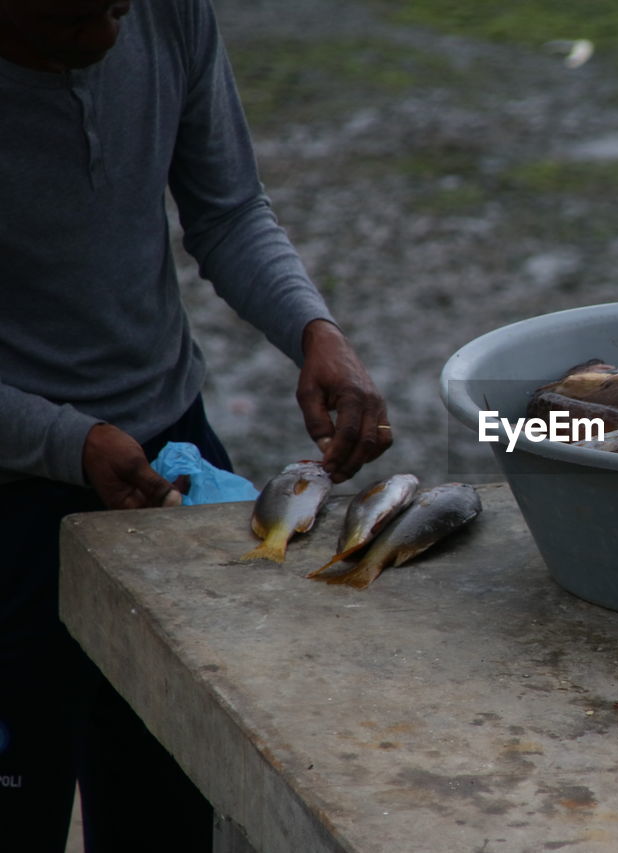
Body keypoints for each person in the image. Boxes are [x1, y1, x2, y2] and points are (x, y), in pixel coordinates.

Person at [0, 0, 393, 848]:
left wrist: (314, 332)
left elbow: (228, 208)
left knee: (168, 803)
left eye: (117, 4)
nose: (107, 30)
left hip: (168, 456)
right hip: (14, 503)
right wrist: (69, 440)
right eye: (71, 16)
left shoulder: (168, 11)